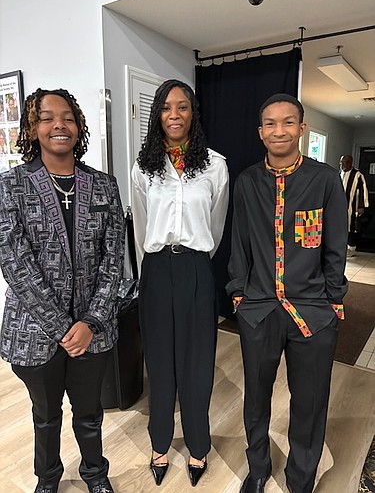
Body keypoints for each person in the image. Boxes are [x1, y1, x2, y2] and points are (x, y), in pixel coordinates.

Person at [0, 88, 125, 493]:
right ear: (33, 128)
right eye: (48, 118)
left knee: (89, 413)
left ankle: (96, 475)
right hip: (35, 332)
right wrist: (61, 327)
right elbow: (15, 264)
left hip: (94, 328)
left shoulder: (103, 185)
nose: (59, 125)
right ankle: (48, 480)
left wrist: (91, 321)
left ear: (79, 126)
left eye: (68, 117)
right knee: (45, 415)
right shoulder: (11, 185)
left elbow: (114, 258)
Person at [226, 94, 348, 493]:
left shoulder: (326, 179)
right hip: (259, 309)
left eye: (288, 122)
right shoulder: (246, 182)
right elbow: (239, 243)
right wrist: (239, 295)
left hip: (313, 312)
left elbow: (335, 245)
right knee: (256, 399)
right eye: (271, 124)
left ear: (301, 128)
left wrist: (334, 300)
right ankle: (258, 468)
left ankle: (300, 478)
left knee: (310, 403)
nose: (280, 130)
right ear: (260, 132)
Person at [132, 79, 229, 488]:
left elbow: (217, 225)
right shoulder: (143, 167)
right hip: (155, 269)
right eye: (167, 108)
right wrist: (152, 266)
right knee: (159, 360)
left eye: (183, 107)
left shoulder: (215, 165)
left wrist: (194, 260)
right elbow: (139, 225)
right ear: (157, 114)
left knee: (197, 364)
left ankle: (198, 446)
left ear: (193, 113)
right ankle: (158, 442)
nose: (175, 115)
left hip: (195, 270)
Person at [339, 154, 369, 257]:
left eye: (346, 162)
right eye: (342, 162)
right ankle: (340, 248)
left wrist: (362, 206)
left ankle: (351, 248)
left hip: (352, 205)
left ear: (351, 163)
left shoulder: (358, 175)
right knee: (340, 226)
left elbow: (363, 190)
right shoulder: (339, 174)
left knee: (351, 226)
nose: (344, 165)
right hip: (339, 206)